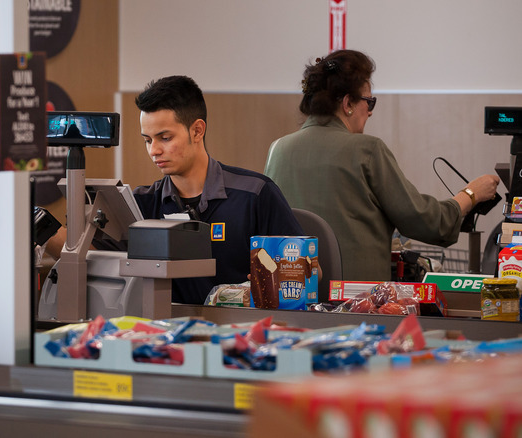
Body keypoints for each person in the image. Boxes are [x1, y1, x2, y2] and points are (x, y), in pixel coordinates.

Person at [265, 49, 500, 282]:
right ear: (348, 103)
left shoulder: (277, 150)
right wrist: (470, 194)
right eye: (369, 102)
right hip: (355, 303)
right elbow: (424, 221)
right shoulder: (366, 150)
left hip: (293, 299)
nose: (370, 112)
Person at [132, 75, 304, 304]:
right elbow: (79, 247)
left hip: (243, 332)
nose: (154, 150)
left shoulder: (255, 194)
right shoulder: (141, 204)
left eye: (165, 138)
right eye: (147, 140)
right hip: (167, 332)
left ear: (197, 131)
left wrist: (275, 282)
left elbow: (309, 272)